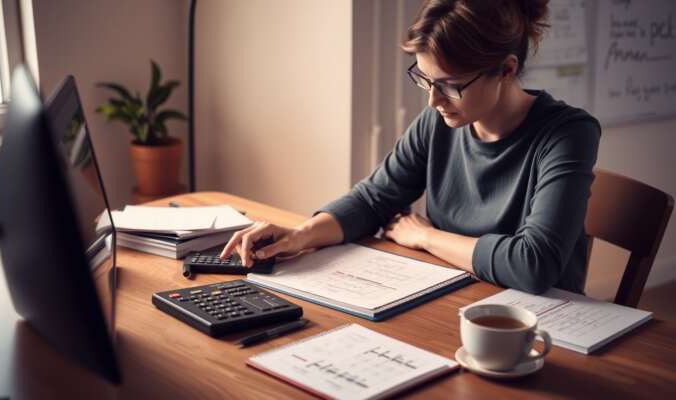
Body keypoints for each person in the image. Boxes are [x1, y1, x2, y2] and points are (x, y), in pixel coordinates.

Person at [220, 0, 600, 295]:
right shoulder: (440, 122)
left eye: (451, 85)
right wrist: (300, 235)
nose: (434, 101)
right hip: (455, 301)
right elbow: (373, 200)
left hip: (538, 331)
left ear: (506, 69)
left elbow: (533, 265)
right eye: (425, 79)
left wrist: (425, 236)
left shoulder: (568, 135)